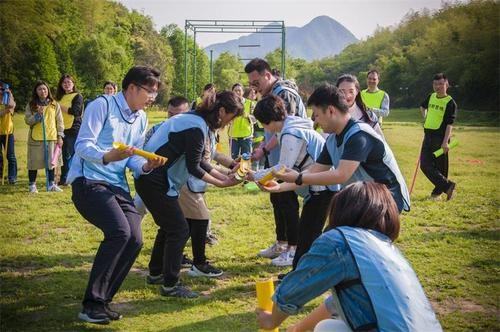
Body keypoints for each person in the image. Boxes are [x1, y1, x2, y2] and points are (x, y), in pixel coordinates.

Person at [257, 182, 442, 332]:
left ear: (341, 210)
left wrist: (271, 321)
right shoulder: (386, 249)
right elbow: (336, 305)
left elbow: (295, 289)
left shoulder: (339, 240)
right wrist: (296, 329)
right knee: (328, 327)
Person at [67, 66, 166, 324]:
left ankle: (102, 300)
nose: (152, 97)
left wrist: (145, 165)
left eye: (155, 92)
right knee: (120, 232)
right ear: (131, 88)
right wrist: (108, 156)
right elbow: (82, 145)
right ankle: (91, 305)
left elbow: (132, 160)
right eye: (149, 91)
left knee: (134, 238)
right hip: (89, 182)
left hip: (117, 186)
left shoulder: (141, 117)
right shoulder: (102, 105)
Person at [135, 91, 243, 299]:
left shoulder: (195, 122)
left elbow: (200, 160)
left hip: (154, 180)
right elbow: (194, 167)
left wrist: (224, 175)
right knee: (179, 229)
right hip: (156, 181)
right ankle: (170, 285)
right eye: (232, 117)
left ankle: (156, 273)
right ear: (222, 111)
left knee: (169, 228)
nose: (230, 123)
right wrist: (222, 183)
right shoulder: (195, 126)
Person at [273, 83, 410, 213]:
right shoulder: (332, 139)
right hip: (364, 199)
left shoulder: (359, 135)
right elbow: (313, 172)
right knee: (333, 234)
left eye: (316, 114)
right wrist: (279, 187)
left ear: (331, 110)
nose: (315, 121)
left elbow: (341, 175)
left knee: (340, 235)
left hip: (387, 201)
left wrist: (299, 177)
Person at [251, 95, 336, 268]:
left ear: (268, 121)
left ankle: (303, 273)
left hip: (323, 188)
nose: (265, 128)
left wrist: (254, 175)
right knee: (308, 233)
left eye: (263, 123)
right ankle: (300, 270)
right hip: (317, 186)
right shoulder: (292, 125)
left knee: (308, 235)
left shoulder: (290, 132)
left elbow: (283, 168)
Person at [244, 58, 306, 261]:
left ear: (267, 75)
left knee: (287, 202)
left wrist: (263, 149)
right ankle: (281, 244)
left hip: (288, 161)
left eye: (256, 82)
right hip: (276, 157)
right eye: (251, 83)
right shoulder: (271, 93)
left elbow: (286, 130)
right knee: (277, 199)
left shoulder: (284, 94)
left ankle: (294, 248)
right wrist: (263, 147)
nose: (253, 87)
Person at [420, 73, 457, 200]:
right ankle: (448, 186)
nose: (438, 86)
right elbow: (422, 106)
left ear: (446, 84)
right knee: (424, 164)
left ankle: (437, 193)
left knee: (441, 166)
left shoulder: (450, 102)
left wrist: (445, 142)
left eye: (441, 84)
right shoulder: (431, 97)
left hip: (440, 138)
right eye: (435, 84)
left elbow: (449, 124)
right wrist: (425, 118)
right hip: (428, 136)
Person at [24, 81, 64, 193]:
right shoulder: (31, 105)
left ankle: (51, 184)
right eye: (40, 89)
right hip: (35, 138)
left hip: (51, 137)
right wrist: (38, 115)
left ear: (48, 91)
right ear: (36, 91)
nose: (43, 91)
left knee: (51, 162)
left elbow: (60, 122)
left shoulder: (54, 104)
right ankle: (32, 185)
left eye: (45, 89)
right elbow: (28, 121)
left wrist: (60, 136)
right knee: (34, 163)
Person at [55, 74, 83, 185]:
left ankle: (74, 177)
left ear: (73, 84)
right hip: (60, 128)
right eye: (64, 83)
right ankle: (64, 178)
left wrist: (59, 107)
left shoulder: (77, 96)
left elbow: (76, 111)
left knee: (72, 154)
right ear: (61, 85)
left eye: (69, 82)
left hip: (73, 128)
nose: (67, 84)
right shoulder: (59, 97)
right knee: (63, 156)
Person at [336, 74, 384, 138]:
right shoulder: (329, 114)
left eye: (351, 91)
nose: (347, 96)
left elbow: (381, 141)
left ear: (357, 92)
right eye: (342, 91)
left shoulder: (368, 115)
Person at [228, 83, 254, 159]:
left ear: (243, 92)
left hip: (246, 136)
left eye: (239, 90)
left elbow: (255, 119)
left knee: (246, 160)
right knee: (233, 161)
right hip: (233, 136)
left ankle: (245, 171)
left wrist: (247, 116)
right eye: (235, 91)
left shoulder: (250, 104)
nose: (237, 92)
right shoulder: (230, 104)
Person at [0, 81, 17, 184]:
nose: (1, 91)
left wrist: (9, 93)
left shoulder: (8, 99)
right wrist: (4, 111)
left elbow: (11, 105)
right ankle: (1, 176)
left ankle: (12, 177)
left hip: (8, 132)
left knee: (10, 156)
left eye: (2, 89)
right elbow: (5, 111)